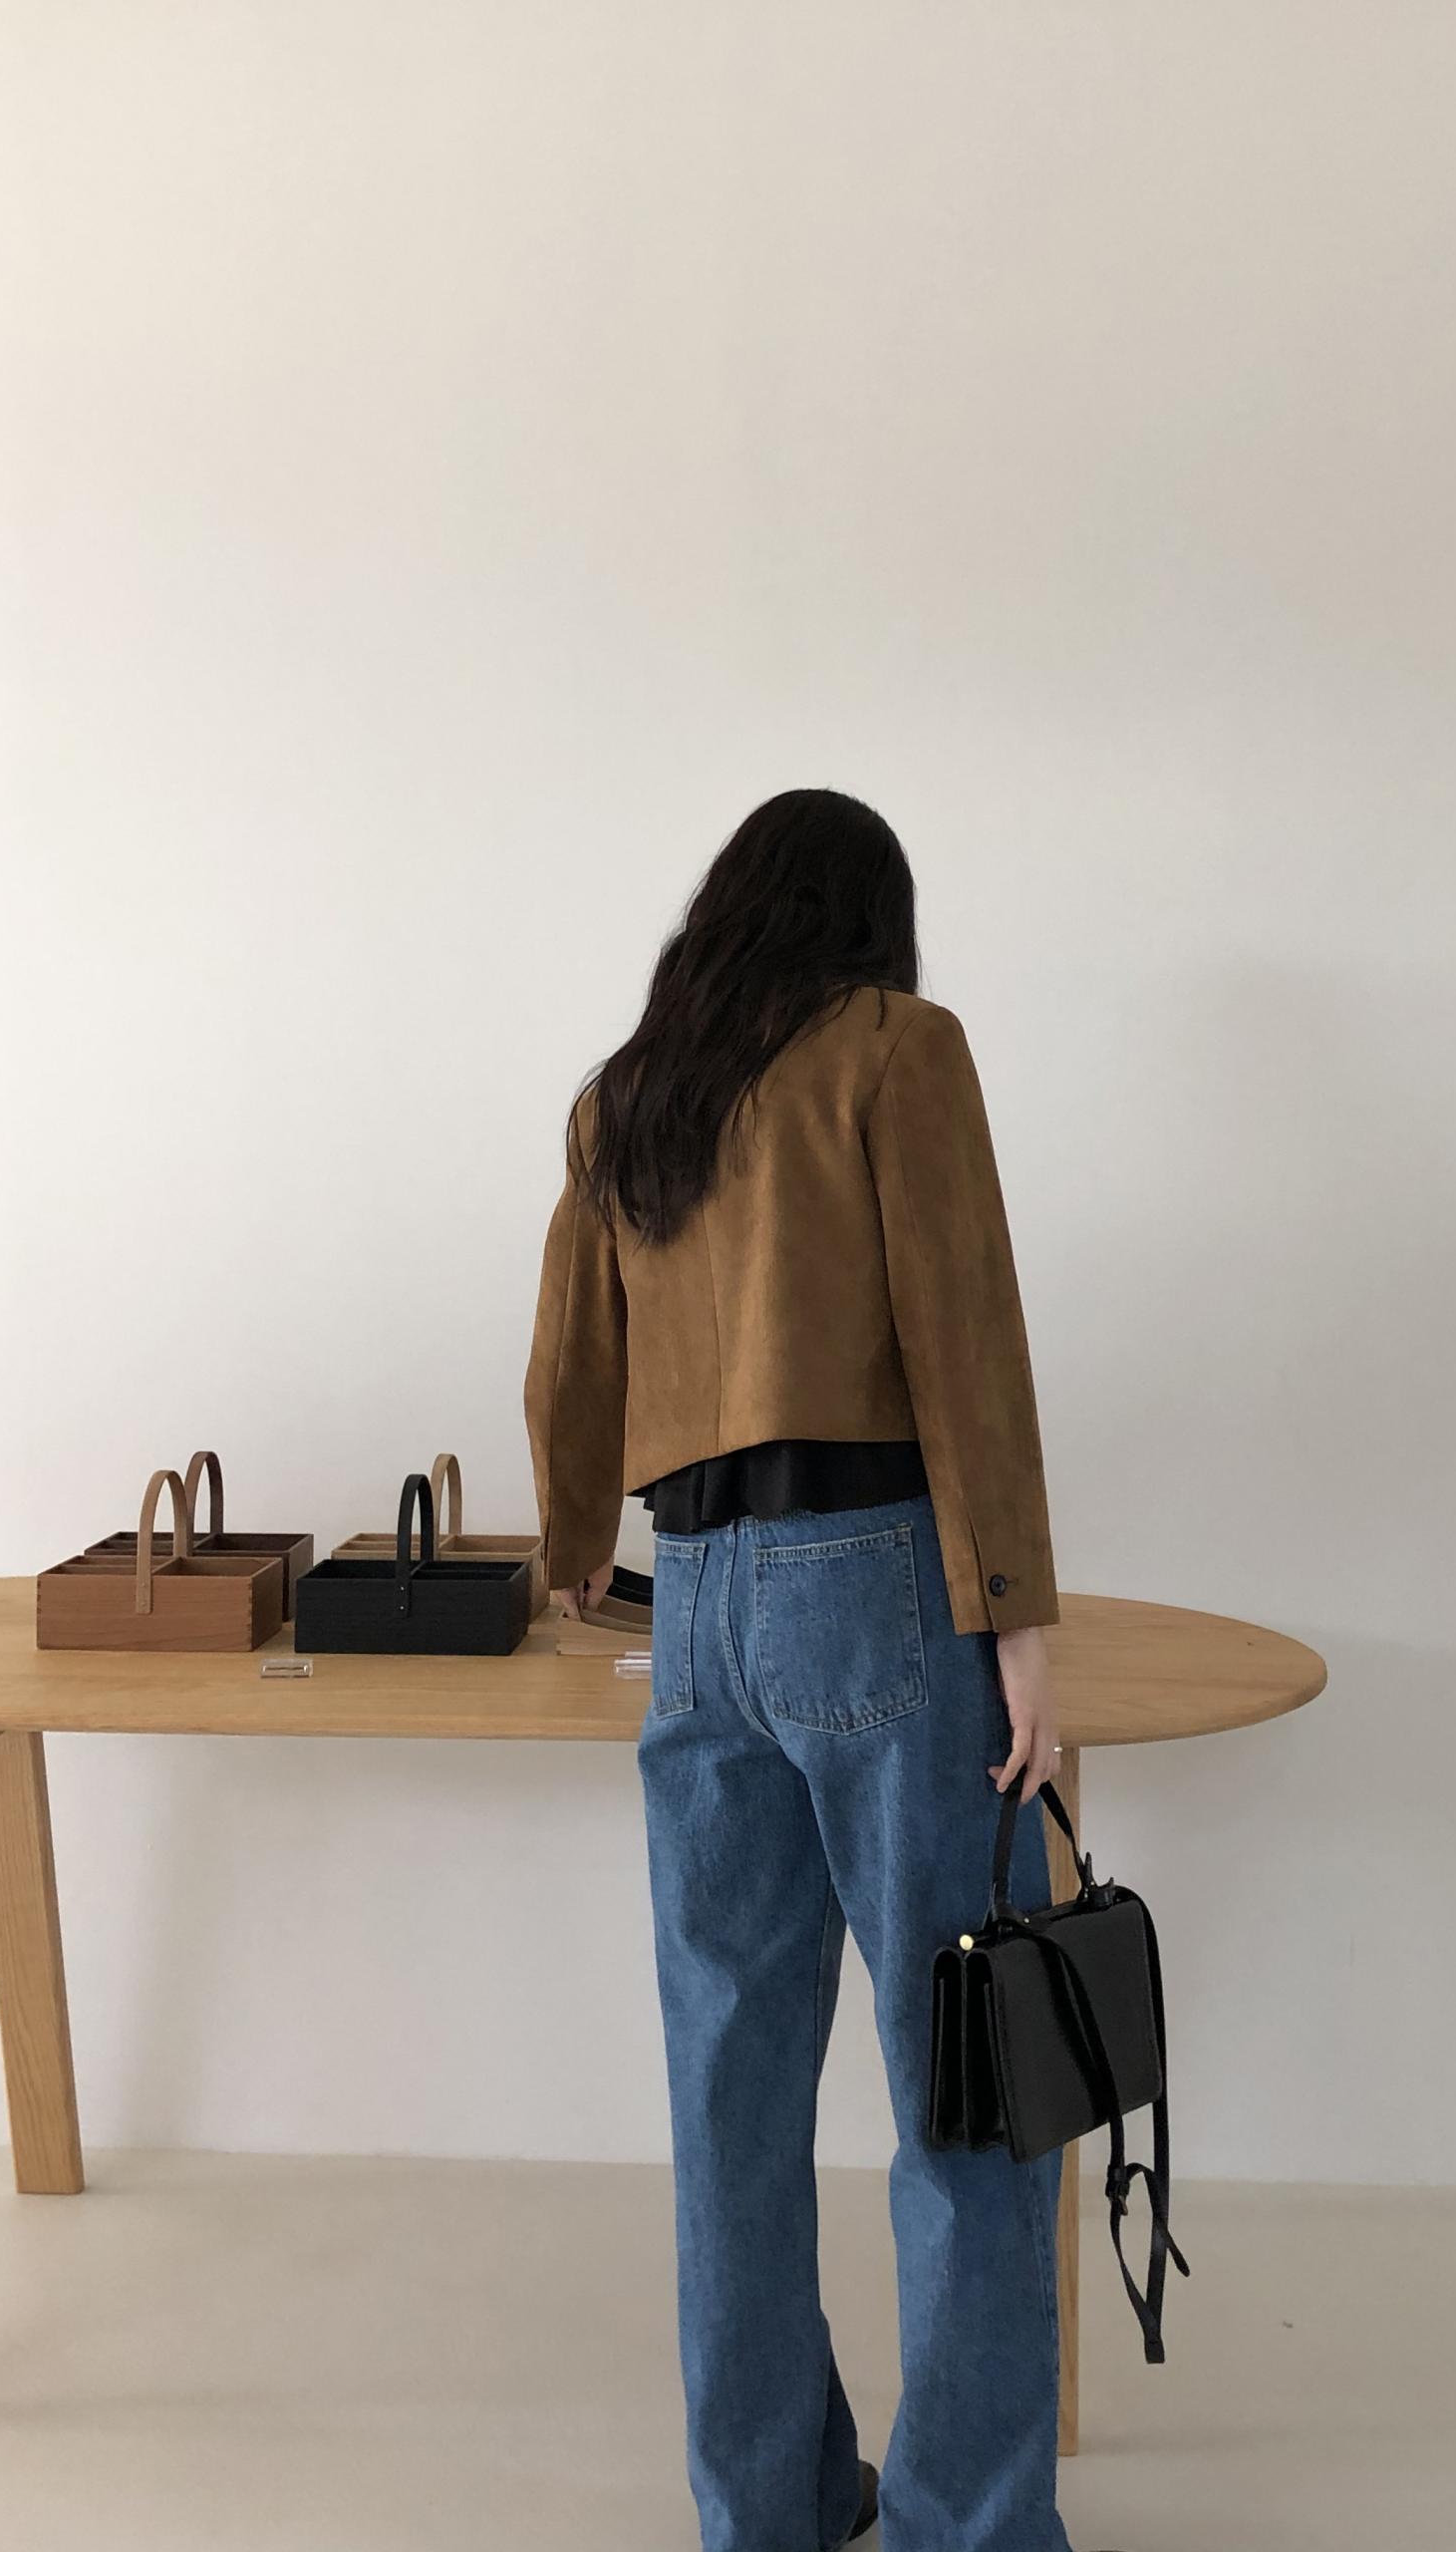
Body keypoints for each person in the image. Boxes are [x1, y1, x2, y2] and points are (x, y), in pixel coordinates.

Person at [524, 788, 1091, 2552]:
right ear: (869, 920)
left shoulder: (631, 1100)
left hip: (693, 1602)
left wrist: (575, 1553)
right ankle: (967, 2525)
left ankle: (764, 2505)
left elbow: (566, 1367)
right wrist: (1020, 1621)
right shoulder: (897, 1050)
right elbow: (966, 1336)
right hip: (878, 1584)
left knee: (731, 2085)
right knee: (964, 2070)